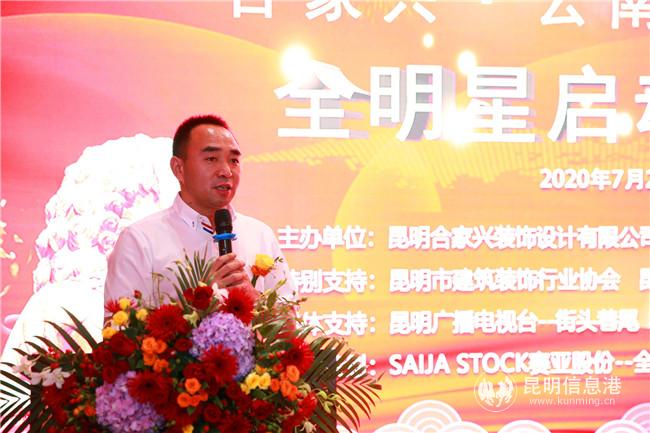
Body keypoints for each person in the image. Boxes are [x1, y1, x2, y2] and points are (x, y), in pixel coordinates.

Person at [104, 114, 294, 305]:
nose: (226, 171)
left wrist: (254, 300)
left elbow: (290, 321)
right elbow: (120, 323)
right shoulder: (140, 240)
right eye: (211, 158)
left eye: (234, 160)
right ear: (178, 168)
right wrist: (202, 297)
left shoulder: (260, 234)